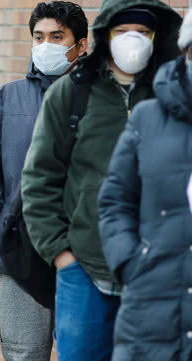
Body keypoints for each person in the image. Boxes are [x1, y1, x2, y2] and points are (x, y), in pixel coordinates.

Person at [20, 1, 182, 359]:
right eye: (123, 31)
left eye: (143, 32)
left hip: (156, 274)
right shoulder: (73, 93)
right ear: (106, 35)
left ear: (158, 37)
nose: (133, 40)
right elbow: (38, 178)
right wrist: (62, 254)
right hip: (85, 269)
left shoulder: (172, 95)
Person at [0, 2, 88, 360]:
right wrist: (3, 228)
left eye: (56, 36)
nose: (45, 44)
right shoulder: (9, 97)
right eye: (38, 37)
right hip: (21, 258)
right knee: (23, 354)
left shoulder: (99, 98)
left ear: (81, 45)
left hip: (82, 259)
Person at [98, 10, 192, 360]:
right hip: (151, 316)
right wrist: (132, 264)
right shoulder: (148, 118)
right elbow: (115, 201)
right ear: (185, 52)